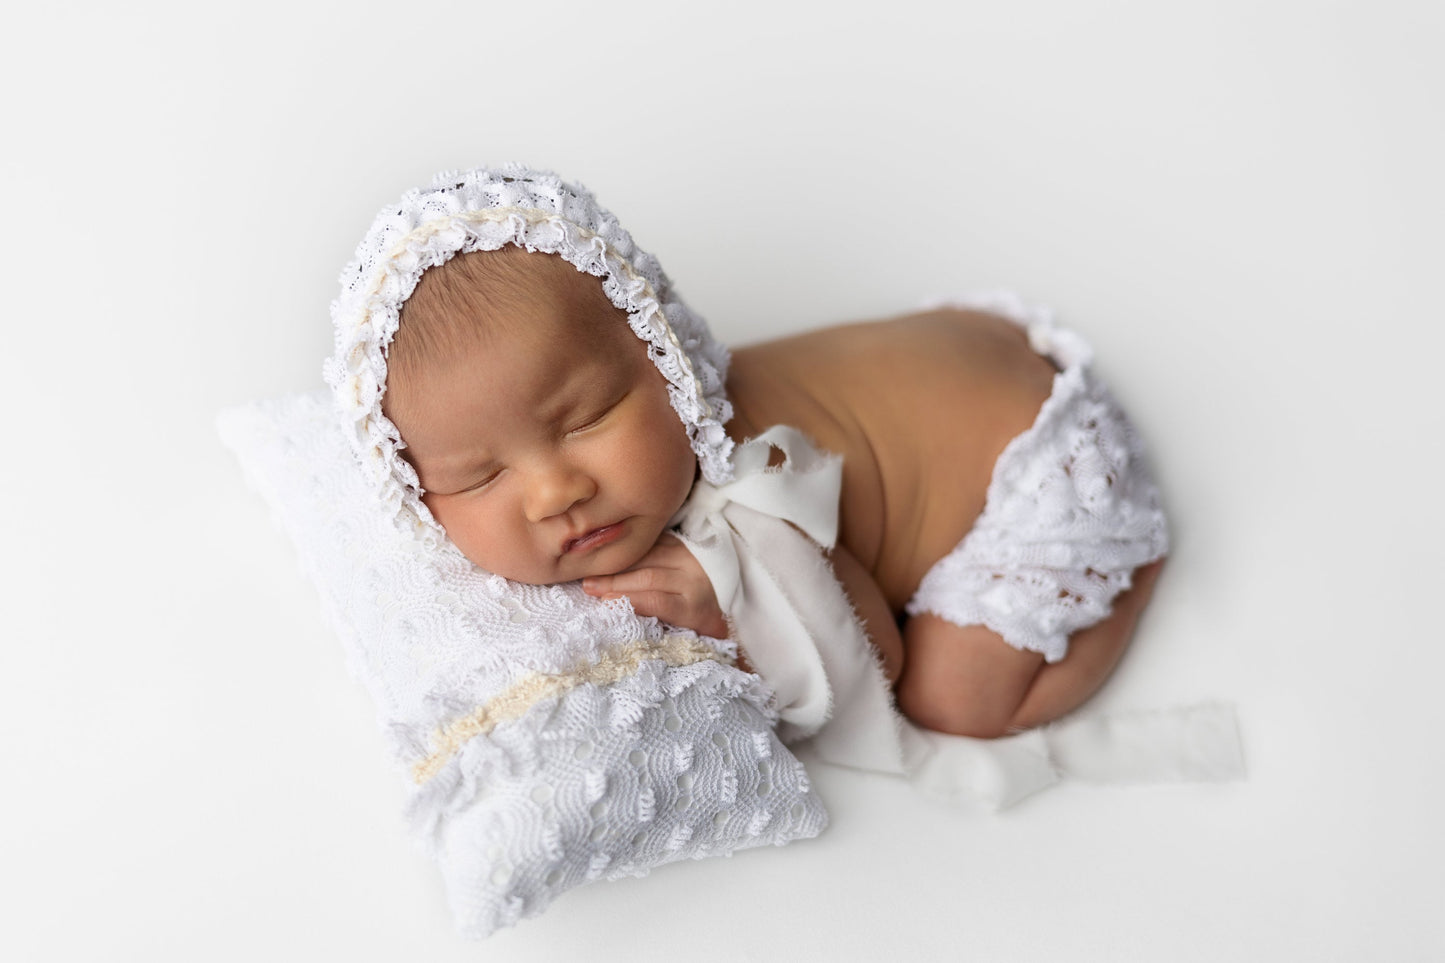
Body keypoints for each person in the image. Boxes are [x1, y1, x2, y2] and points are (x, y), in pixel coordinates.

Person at [378, 230, 1168, 742]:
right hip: (959, 351)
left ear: (664, 362)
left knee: (953, 702)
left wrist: (738, 612)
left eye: (585, 419)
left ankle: (1128, 562)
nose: (555, 491)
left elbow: (876, 660)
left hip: (1037, 461)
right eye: (479, 475)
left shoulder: (745, 494)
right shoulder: (643, 411)